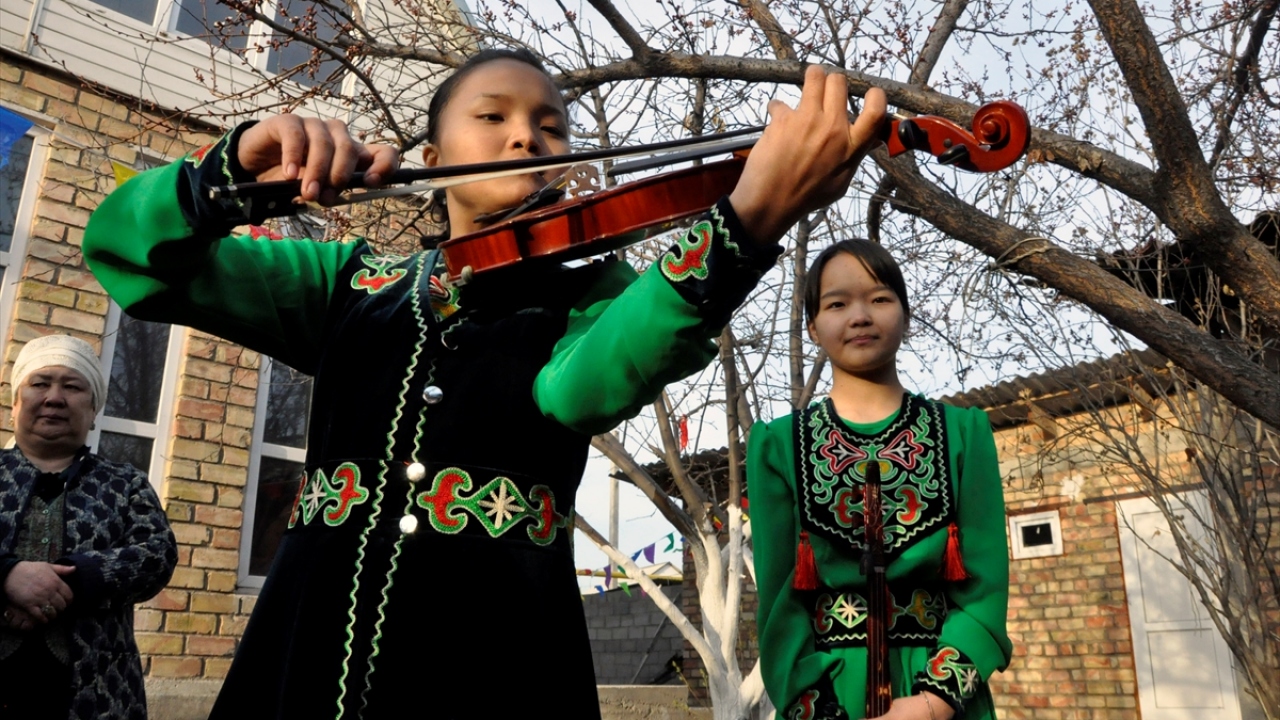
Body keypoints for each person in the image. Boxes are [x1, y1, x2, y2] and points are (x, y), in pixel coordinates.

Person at [82, 47, 888, 718]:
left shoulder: (591, 294)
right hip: (308, 649)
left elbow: (579, 392)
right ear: (433, 161)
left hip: (502, 660)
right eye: (493, 117)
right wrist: (230, 171)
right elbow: (131, 259)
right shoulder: (350, 284)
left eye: (550, 127)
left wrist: (743, 227)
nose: (524, 138)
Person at [748, 240, 1012, 720]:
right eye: (837, 303)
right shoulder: (779, 446)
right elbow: (778, 606)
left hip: (942, 694)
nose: (860, 316)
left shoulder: (964, 434)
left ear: (906, 317)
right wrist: (817, 708)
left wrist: (935, 702)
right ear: (812, 326)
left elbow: (985, 589)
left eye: (880, 298)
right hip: (828, 693)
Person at [0, 334, 177, 720]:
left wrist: (72, 581)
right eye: (40, 383)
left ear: (93, 409)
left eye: (73, 386)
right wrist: (6, 576)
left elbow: (156, 555)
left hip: (98, 694)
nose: (55, 397)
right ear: (15, 403)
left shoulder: (125, 483)